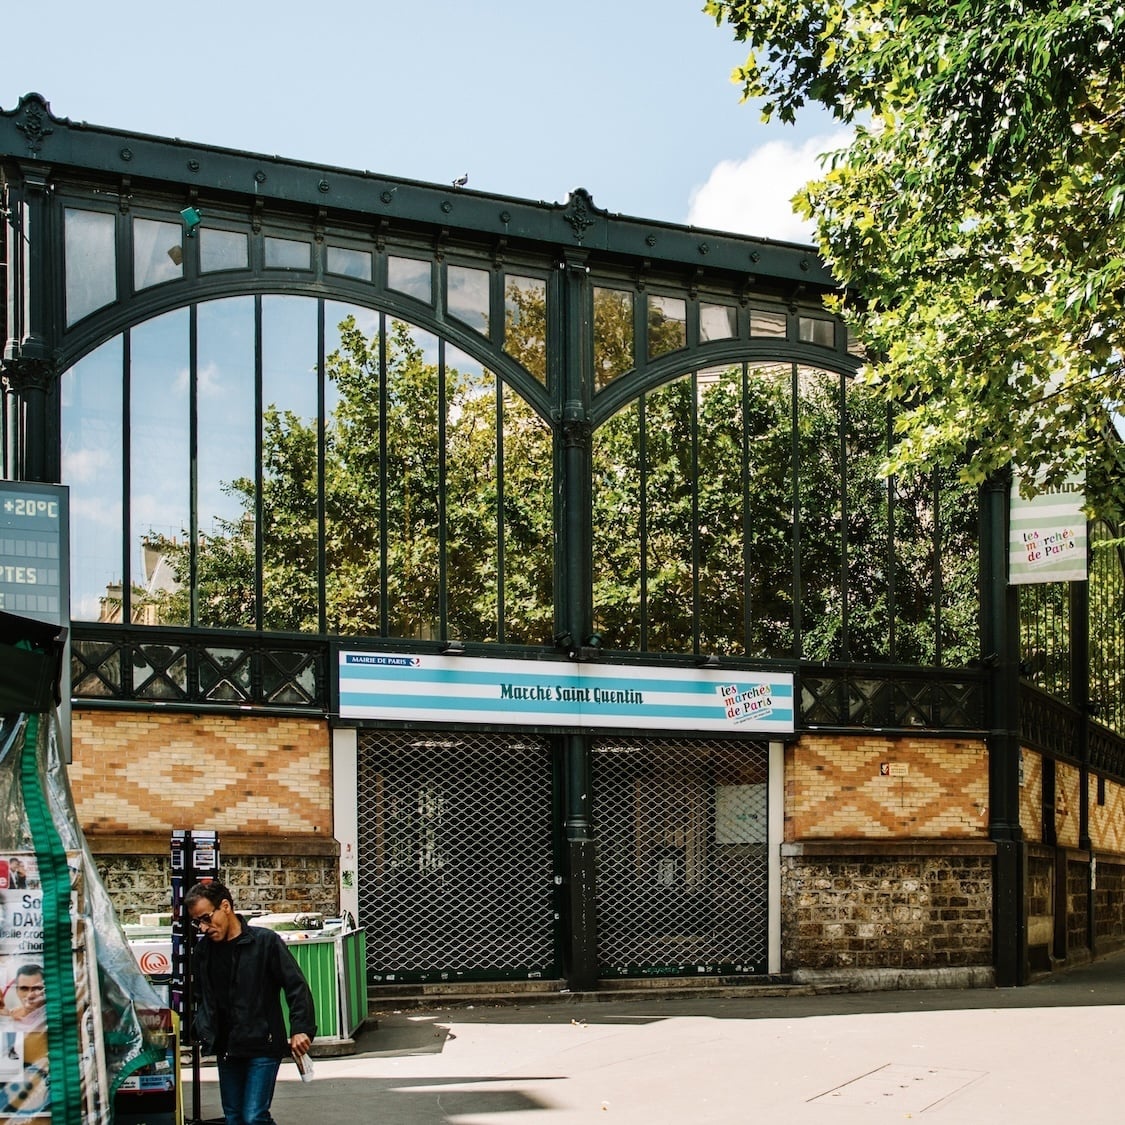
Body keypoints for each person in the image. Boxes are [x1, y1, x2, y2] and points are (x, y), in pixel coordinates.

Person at [185, 882, 316, 1125]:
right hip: (227, 1046)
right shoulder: (204, 951)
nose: (203, 927)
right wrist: (203, 1028)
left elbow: (295, 985)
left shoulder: (265, 942)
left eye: (206, 918)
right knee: (234, 1118)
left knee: (254, 1117)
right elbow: (202, 997)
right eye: (197, 922)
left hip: (262, 1044)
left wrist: (301, 1028)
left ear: (225, 906)